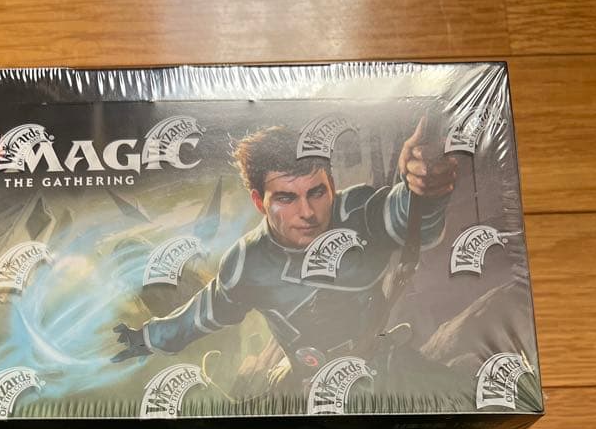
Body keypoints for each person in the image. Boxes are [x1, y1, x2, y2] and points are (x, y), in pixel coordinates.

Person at [113, 120, 458, 386]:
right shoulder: (248, 262)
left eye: (317, 192)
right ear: (259, 202)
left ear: (331, 185)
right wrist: (147, 338)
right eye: (286, 198)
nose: (307, 212)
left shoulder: (358, 211)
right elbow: (202, 314)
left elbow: (407, 218)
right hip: (313, 390)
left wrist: (424, 190)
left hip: (387, 367)